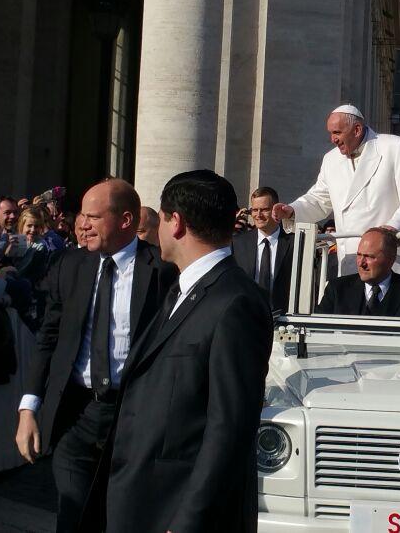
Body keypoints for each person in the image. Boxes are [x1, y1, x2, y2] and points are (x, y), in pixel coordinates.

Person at [100, 170, 271, 533]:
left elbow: (230, 428)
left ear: (175, 222)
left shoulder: (235, 302)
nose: (156, 229)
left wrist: (189, 520)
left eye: (160, 218)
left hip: (175, 512)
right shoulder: (179, 289)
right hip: (141, 500)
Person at [14, 178, 175, 532]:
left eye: (93, 216)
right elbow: (49, 338)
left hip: (133, 417)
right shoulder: (70, 265)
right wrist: (29, 408)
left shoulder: (162, 271)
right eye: (81, 216)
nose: (82, 224)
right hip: (77, 415)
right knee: (73, 516)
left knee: (122, 519)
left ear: (126, 220)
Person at [272, 105, 400, 280]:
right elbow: (318, 199)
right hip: (351, 260)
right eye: (330, 133)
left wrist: (391, 230)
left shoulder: (395, 147)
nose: (333, 139)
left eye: (337, 132)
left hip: (392, 259)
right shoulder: (331, 160)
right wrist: (292, 210)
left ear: (357, 130)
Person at [316, 227, 400, 318]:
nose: (361, 263)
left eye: (369, 257)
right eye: (359, 255)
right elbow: (316, 333)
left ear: (390, 259)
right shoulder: (336, 289)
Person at [231, 187, 293, 313]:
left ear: (276, 209)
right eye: (254, 210)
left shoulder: (293, 243)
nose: (258, 215)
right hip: (246, 318)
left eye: (264, 210)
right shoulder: (238, 243)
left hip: (284, 320)